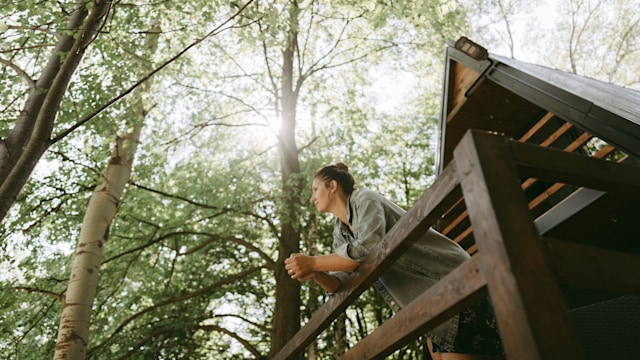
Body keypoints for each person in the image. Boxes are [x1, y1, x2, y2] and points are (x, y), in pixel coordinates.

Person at [285, 162, 504, 360]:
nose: (312, 198)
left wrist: (313, 262)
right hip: (427, 304)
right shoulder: (340, 232)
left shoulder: (364, 199)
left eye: (315, 190)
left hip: (451, 281)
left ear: (332, 186)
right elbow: (341, 284)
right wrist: (316, 273)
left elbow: (366, 250)